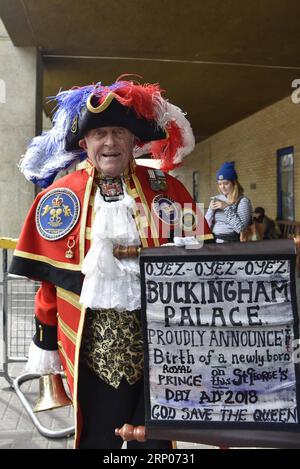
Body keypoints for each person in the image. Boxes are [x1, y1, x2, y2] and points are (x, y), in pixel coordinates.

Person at [9, 78, 212, 449]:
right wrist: (46, 344)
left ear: (134, 140)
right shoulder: (58, 197)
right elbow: (49, 287)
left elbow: (203, 266)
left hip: (162, 352)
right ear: (84, 142)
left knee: (155, 443)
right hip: (91, 356)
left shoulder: (168, 190)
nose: (109, 142)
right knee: (96, 440)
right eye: (99, 133)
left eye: (118, 131)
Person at [205, 161, 252, 242]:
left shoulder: (243, 201)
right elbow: (205, 224)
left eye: (226, 183)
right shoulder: (216, 199)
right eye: (219, 184)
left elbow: (241, 230)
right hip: (213, 239)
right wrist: (211, 210)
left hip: (230, 242)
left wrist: (226, 207)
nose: (222, 187)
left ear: (234, 183)